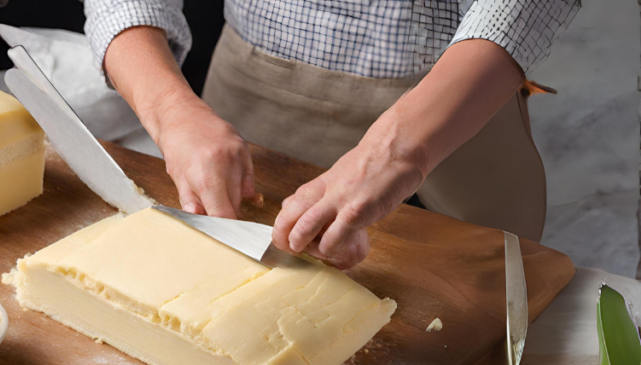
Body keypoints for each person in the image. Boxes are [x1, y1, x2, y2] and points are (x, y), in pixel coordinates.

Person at [83, 1, 580, 268]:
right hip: (249, 93)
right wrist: (171, 110)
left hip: (462, 98)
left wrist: (398, 150)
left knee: (484, 332)